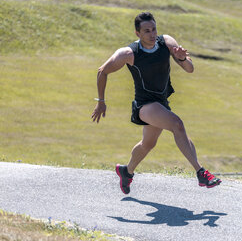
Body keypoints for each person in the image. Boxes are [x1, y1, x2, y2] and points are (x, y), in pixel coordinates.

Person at [91, 12, 221, 194]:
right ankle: (201, 173)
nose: (152, 34)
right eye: (146, 31)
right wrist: (101, 101)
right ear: (137, 33)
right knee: (178, 125)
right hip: (144, 106)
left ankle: (126, 172)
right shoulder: (129, 53)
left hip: (161, 103)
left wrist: (182, 58)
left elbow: (190, 69)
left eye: (154, 29)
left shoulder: (166, 43)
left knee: (148, 144)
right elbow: (102, 71)